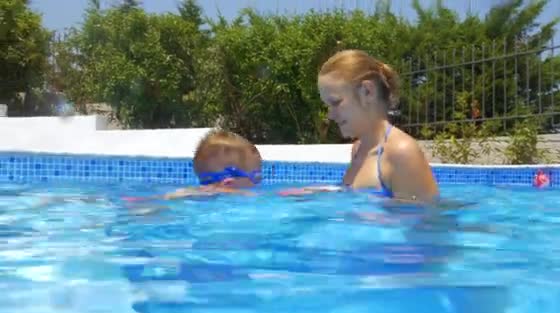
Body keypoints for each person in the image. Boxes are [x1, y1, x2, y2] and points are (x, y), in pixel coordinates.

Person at [282, 49, 439, 204]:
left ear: (367, 92)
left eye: (336, 103)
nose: (330, 115)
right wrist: (315, 192)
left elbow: (427, 223)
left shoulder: (401, 153)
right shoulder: (358, 149)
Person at [123, 129, 262, 202]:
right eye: (256, 177)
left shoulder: (194, 191)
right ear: (229, 182)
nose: (259, 182)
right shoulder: (233, 192)